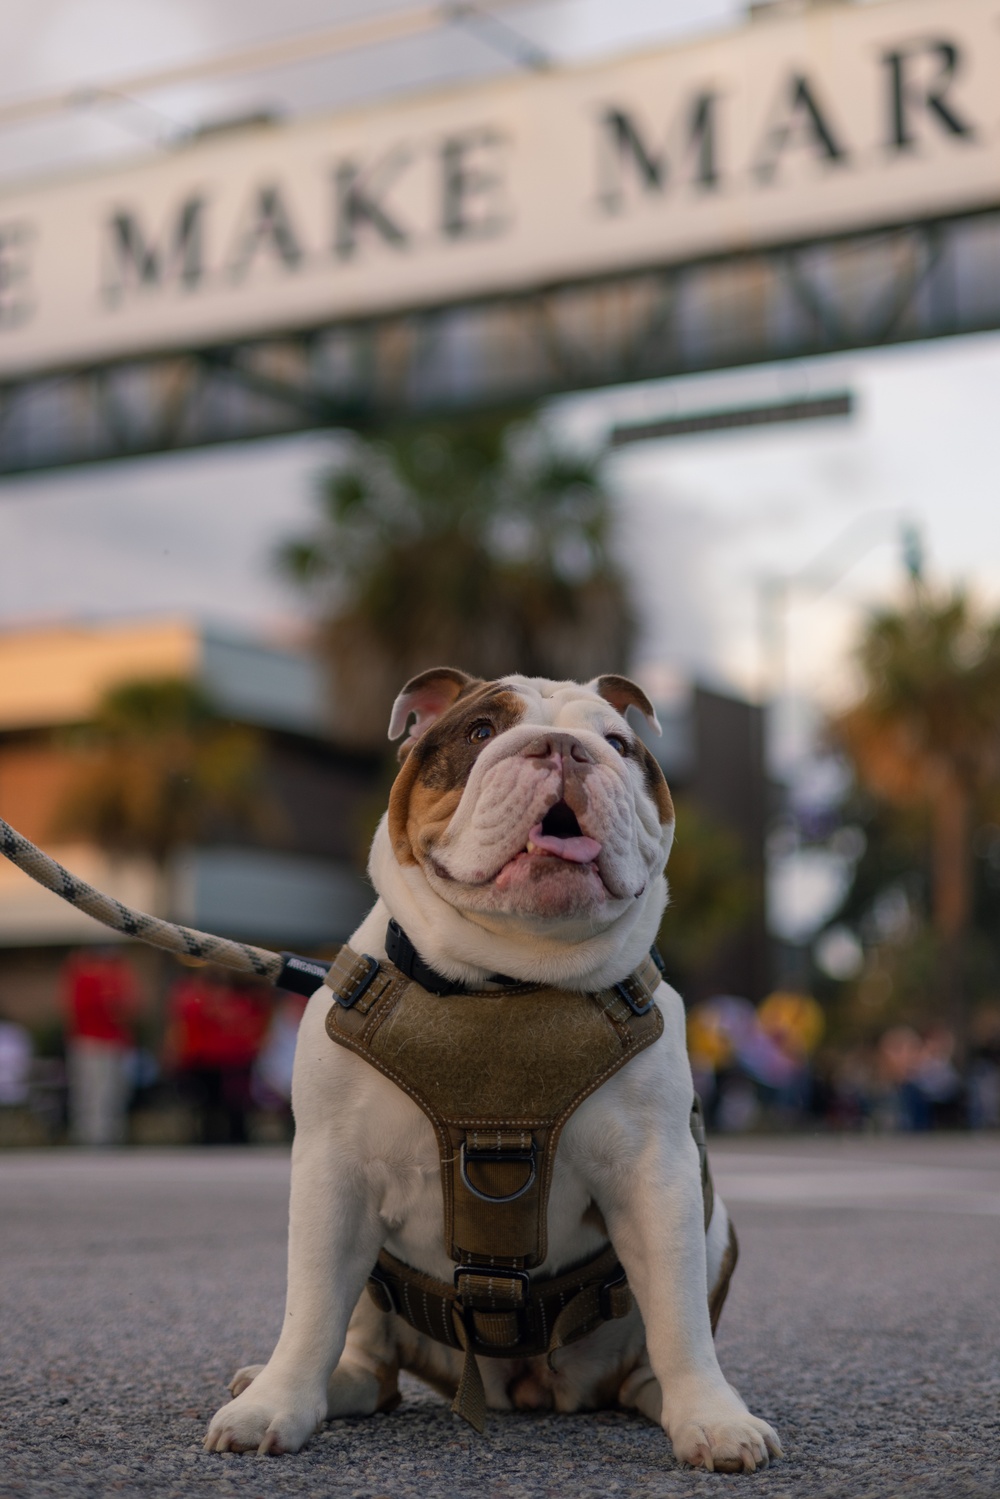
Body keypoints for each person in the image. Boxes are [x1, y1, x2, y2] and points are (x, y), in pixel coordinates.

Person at [164, 968, 269, 1144]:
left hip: (234, 1061)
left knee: (235, 1104)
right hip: (205, 1061)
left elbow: (250, 1030)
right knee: (208, 1105)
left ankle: (236, 1137)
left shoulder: (238, 1004)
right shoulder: (197, 1003)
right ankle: (209, 1138)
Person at [61, 947, 139, 1146]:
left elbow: (128, 1009)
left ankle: (109, 1135)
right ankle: (92, 1137)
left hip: (113, 1041)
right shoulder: (85, 977)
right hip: (90, 1041)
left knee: (113, 1091)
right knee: (91, 1091)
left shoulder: (116, 977)